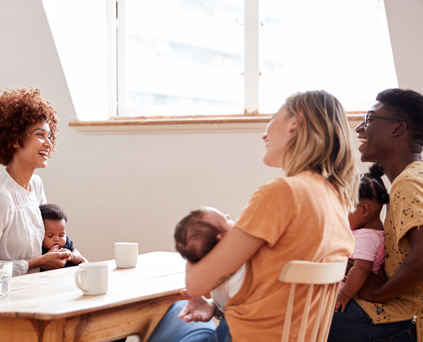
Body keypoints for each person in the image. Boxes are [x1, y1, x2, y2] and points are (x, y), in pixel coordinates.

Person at [149, 90, 358, 342]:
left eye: (272, 118)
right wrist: (215, 306)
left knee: (164, 312)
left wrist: (195, 238)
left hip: (245, 337)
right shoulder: (335, 201)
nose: (264, 133)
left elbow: (194, 285)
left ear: (294, 123)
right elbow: (274, 291)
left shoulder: (283, 193)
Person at [329, 89, 423, 342]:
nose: (359, 129)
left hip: (402, 322)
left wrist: (378, 295)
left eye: (369, 119)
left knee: (283, 310)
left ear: (398, 128)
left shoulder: (409, 184)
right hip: (405, 318)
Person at [0, 87, 72, 276]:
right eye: (40, 135)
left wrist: (72, 255)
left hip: (35, 287)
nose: (49, 144)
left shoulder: (36, 184)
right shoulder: (0, 197)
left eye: (49, 136)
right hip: (5, 296)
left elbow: (47, 238)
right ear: (15, 140)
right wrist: (37, 262)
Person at [173, 207, 246, 340]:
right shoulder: (238, 267)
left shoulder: (209, 274)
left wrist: (213, 304)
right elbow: (243, 309)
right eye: (225, 219)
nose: (228, 215)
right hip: (236, 331)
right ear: (222, 237)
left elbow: (227, 303)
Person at [335, 163, 389, 312]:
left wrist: (345, 294)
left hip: (350, 293)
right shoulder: (364, 232)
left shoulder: (368, 237)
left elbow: (362, 268)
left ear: (364, 210)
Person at [39, 203, 87, 271]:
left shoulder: (66, 242)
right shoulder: (39, 249)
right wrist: (49, 256)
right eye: (50, 236)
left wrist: (71, 256)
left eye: (61, 235)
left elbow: (78, 256)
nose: (57, 239)